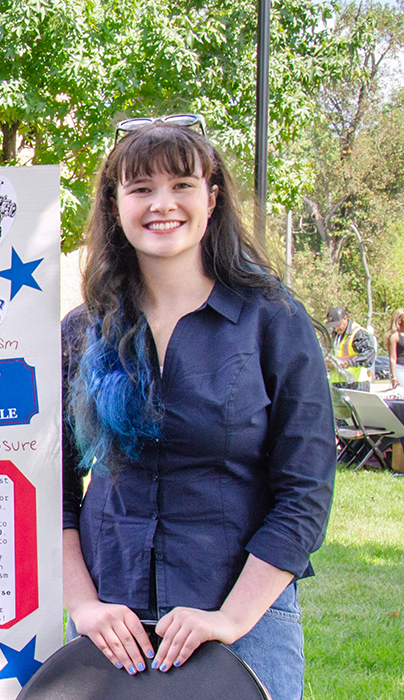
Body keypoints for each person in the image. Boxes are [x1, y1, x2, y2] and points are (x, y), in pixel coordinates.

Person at [61, 114, 336, 700]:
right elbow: (49, 485)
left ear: (211, 198)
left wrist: (232, 619)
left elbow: (305, 490)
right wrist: (84, 605)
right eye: (140, 188)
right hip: (113, 630)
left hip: (242, 626)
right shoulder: (81, 333)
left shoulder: (273, 319)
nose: (163, 204)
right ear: (115, 206)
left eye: (181, 185)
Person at [324, 307, 375, 387]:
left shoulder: (358, 333)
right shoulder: (335, 335)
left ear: (345, 318)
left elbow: (369, 354)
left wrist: (350, 362)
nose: (336, 329)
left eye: (338, 325)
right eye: (333, 326)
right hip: (338, 382)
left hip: (356, 383)